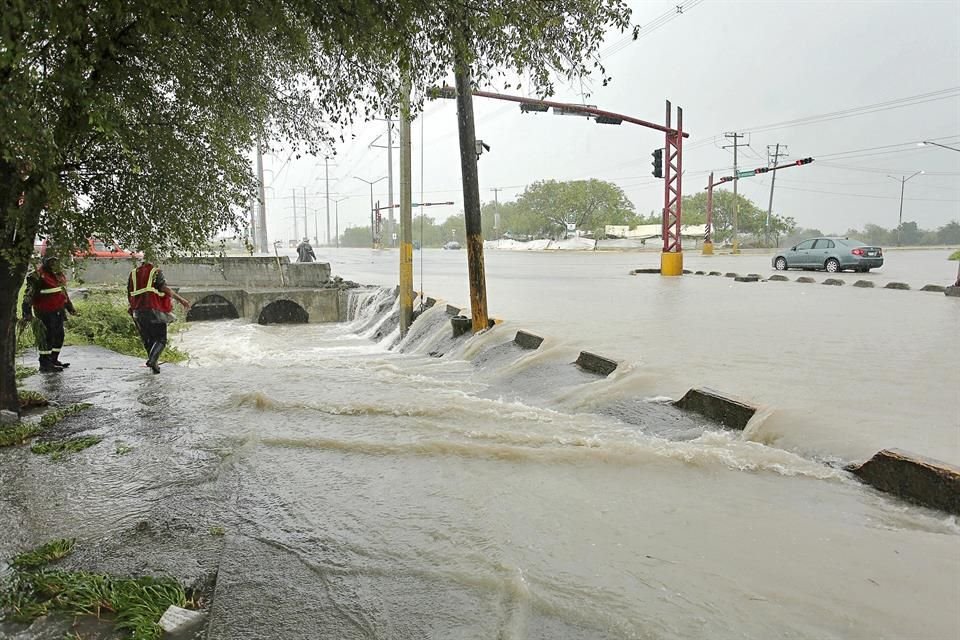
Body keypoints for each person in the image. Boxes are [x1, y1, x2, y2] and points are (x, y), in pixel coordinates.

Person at [127, 259, 191, 374]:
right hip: (154, 309)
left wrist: (132, 309)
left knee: (148, 340)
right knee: (161, 339)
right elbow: (164, 288)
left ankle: (154, 366)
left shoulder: (133, 274)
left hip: (138, 311)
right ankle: (152, 361)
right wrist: (181, 300)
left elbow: (129, 293)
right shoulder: (155, 272)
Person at [20, 256, 78, 373]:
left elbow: (63, 293)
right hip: (44, 312)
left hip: (58, 311)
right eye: (51, 261)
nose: (54, 264)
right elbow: (28, 295)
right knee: (47, 337)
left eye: (56, 261)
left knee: (59, 336)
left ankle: (53, 360)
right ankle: (45, 364)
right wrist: (26, 312)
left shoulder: (58, 275)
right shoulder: (36, 276)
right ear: (45, 262)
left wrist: (70, 308)